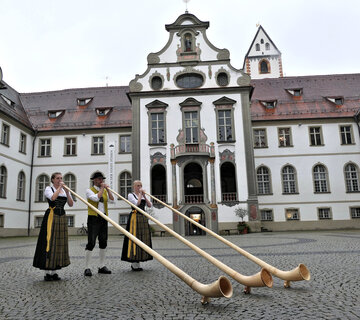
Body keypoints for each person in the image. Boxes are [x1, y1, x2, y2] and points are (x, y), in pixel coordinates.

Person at [33, 172, 73, 281]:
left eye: (61, 178)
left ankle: (54, 271)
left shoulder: (64, 191)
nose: (60, 180)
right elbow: (53, 198)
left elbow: (70, 204)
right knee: (49, 242)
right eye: (57, 178)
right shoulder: (48, 189)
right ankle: (47, 272)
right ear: (53, 180)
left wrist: (68, 193)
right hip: (52, 216)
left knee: (58, 243)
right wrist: (60, 187)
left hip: (61, 217)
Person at [84, 171, 114, 277]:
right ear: (94, 180)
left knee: (103, 241)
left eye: (102, 179)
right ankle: (87, 267)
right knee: (91, 242)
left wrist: (108, 190)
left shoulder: (104, 191)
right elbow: (96, 198)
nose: (101, 181)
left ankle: (102, 266)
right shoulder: (89, 191)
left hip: (103, 217)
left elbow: (112, 200)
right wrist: (102, 189)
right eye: (99, 179)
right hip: (93, 218)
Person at [121, 180, 153, 271]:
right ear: (134, 187)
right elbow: (137, 204)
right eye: (138, 185)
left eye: (140, 185)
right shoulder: (131, 195)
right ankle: (134, 262)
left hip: (143, 218)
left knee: (143, 238)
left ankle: (140, 259)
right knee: (135, 238)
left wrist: (144, 196)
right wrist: (140, 195)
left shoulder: (142, 195)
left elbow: (150, 205)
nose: (139, 187)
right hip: (135, 218)